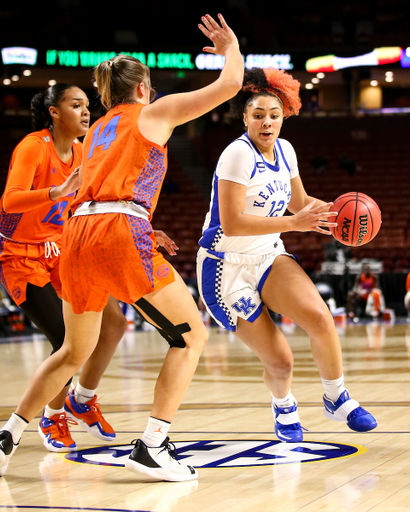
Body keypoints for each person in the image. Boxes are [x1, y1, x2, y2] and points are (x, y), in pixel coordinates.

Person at [0, 13, 243, 482]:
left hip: (76, 236)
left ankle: (8, 433)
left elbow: (96, 196)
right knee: (191, 337)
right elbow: (231, 83)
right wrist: (230, 46)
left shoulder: (93, 136)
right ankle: (153, 444)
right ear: (143, 88)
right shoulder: (153, 113)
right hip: (116, 233)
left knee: (72, 350)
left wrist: (145, 232)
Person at [196, 67, 377, 444]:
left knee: (320, 317)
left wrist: (334, 213)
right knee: (281, 361)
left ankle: (336, 398)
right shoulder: (236, 155)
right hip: (225, 267)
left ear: (284, 118)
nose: (266, 122)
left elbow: (299, 203)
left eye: (274, 115)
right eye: (258, 114)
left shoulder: (286, 150)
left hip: (267, 254)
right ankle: (284, 406)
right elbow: (231, 224)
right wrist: (295, 223)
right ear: (245, 118)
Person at [0, 84, 129, 454]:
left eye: (87, 106)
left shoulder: (82, 151)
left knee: (115, 323)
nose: (86, 112)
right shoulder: (33, 146)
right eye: (76, 105)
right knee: (67, 341)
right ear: (54, 112)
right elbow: (10, 200)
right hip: (22, 255)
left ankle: (83, 398)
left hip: (66, 250)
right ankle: (51, 416)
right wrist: (55, 192)